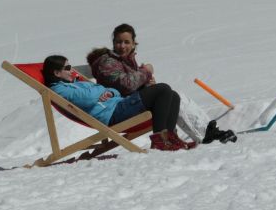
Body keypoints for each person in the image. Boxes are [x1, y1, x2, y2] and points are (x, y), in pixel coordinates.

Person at [86, 23, 237, 144]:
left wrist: (148, 85)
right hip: (118, 109)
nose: (122, 46)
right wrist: (146, 72)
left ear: (134, 44)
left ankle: (195, 134)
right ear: (113, 43)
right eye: (119, 42)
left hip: (129, 104)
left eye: (127, 42)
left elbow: (130, 86)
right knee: (164, 90)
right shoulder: (107, 62)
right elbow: (127, 85)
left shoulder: (126, 62)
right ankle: (170, 139)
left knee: (173, 95)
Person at [43, 55, 197, 151]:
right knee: (162, 89)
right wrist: (101, 92)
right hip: (113, 114)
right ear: (56, 73)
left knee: (173, 95)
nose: (72, 70)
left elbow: (106, 90)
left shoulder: (75, 83)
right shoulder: (60, 90)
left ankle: (169, 139)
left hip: (118, 104)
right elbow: (88, 98)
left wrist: (108, 92)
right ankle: (160, 141)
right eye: (67, 68)